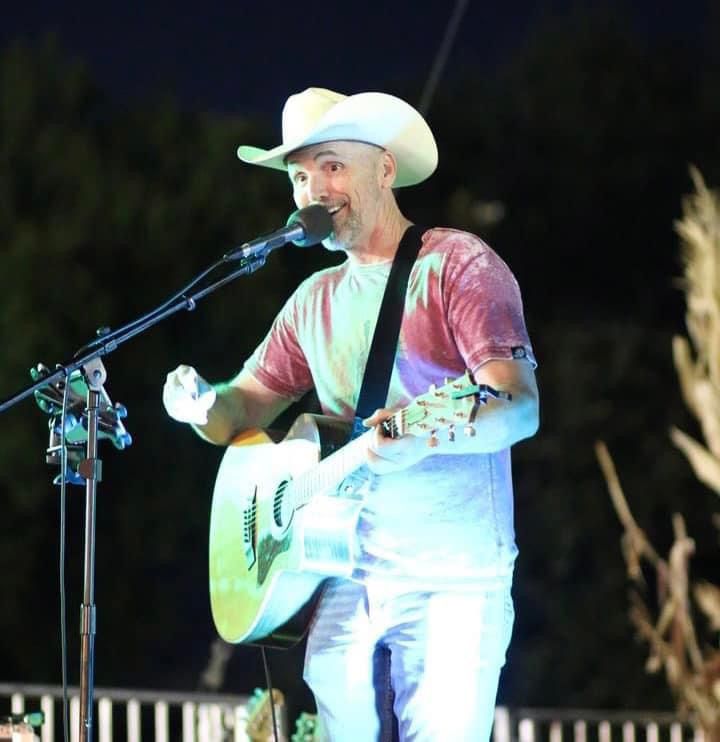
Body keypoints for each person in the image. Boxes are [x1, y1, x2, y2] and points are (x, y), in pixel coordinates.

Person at [163, 87, 539, 741]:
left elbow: (515, 402)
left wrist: (417, 430)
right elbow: (239, 411)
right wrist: (201, 402)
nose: (313, 189)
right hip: (343, 573)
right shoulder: (314, 299)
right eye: (299, 175)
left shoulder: (457, 265)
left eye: (331, 165)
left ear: (384, 169)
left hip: (452, 577)